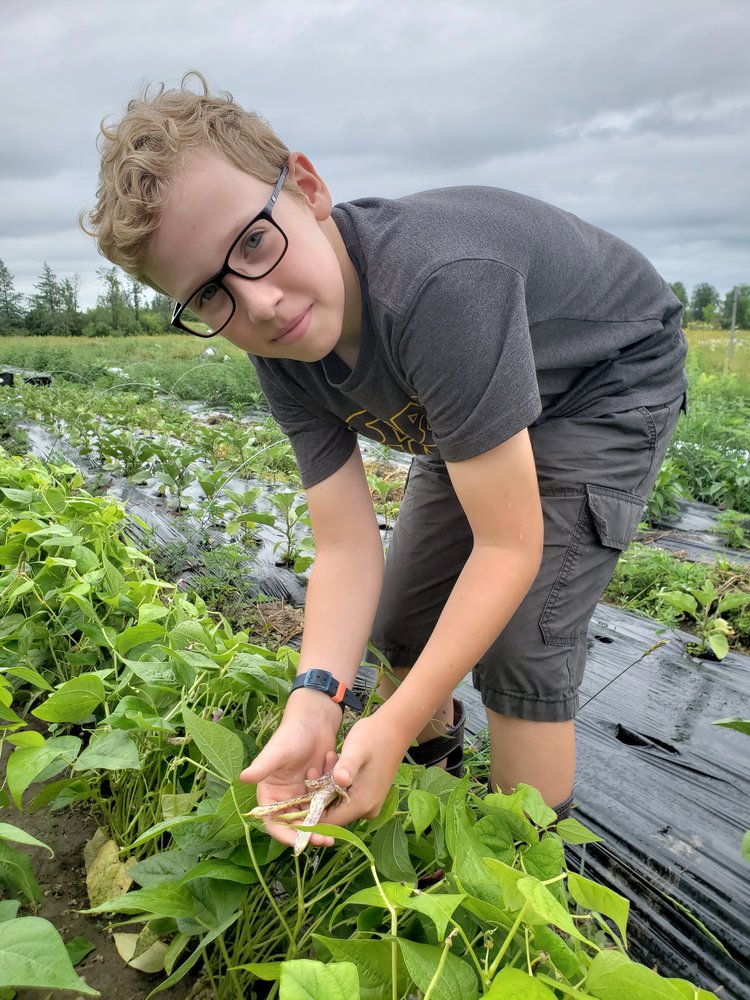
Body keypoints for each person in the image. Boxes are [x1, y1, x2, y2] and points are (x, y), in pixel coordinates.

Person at [83, 72, 687, 851]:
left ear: (306, 186)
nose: (257, 303)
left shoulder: (440, 284)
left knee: (523, 644)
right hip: (469, 397)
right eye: (209, 295)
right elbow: (341, 544)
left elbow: (509, 545)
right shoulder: (281, 351)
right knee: (403, 620)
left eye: (255, 242)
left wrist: (390, 721)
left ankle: (528, 882)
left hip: (601, 381)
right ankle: (415, 787)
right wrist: (315, 700)